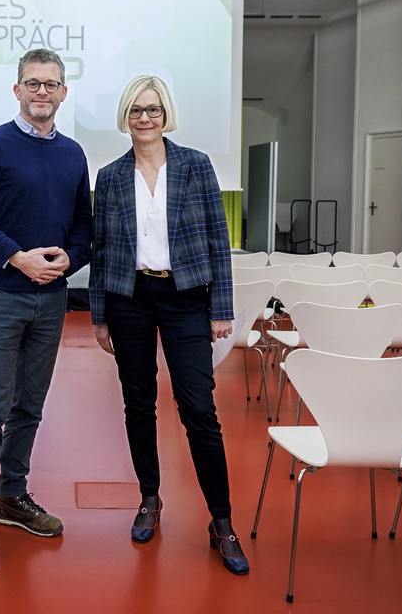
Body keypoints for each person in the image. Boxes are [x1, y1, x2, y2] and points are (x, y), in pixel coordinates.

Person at [88, 74, 248, 575]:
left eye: (153, 109)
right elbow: (101, 249)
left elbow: (219, 241)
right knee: (138, 404)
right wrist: (98, 316)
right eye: (136, 110)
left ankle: (221, 523)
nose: (144, 118)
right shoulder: (110, 176)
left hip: (186, 299)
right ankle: (150, 499)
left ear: (166, 114)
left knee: (199, 409)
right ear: (125, 117)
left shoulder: (195, 165)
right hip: (129, 299)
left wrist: (222, 308)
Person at [0, 49, 93, 581]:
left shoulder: (74, 154)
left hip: (51, 297)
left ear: (62, 93)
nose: (41, 92)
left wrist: (67, 259)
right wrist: (17, 256)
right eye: (32, 83)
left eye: (51, 84)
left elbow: (84, 225)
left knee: (29, 406)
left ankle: (13, 497)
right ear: (17, 90)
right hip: (0, 292)